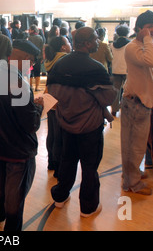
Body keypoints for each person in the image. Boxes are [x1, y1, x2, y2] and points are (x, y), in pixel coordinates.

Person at [47, 27, 116, 217]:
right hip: (90, 126)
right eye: (95, 39)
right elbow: (108, 98)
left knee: (67, 161)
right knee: (89, 167)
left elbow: (51, 92)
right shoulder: (96, 68)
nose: (97, 41)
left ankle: (60, 197)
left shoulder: (60, 65)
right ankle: (88, 207)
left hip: (66, 123)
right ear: (86, 43)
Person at [0, 39, 43, 231]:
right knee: (16, 193)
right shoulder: (19, 84)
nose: (32, 66)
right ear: (25, 58)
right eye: (31, 62)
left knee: (2, 181)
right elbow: (31, 124)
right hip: (18, 149)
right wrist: (39, 107)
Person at [121, 10, 153, 195]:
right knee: (133, 145)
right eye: (149, 27)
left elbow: (152, 74)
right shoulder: (132, 47)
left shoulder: (148, 46)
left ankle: (132, 174)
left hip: (143, 103)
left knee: (137, 145)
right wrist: (148, 39)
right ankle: (132, 184)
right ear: (139, 28)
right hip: (134, 103)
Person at [44, 36, 71, 175]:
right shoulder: (64, 60)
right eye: (67, 42)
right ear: (63, 47)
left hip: (49, 97)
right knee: (60, 136)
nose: (70, 44)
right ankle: (59, 167)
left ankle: (51, 163)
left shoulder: (50, 59)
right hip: (59, 99)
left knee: (52, 134)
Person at [110, 25, 131, 116]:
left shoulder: (112, 44)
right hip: (126, 70)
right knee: (128, 91)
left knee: (116, 91)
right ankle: (126, 109)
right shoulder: (130, 44)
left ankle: (114, 110)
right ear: (127, 33)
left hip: (115, 69)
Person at [27, 25, 45, 91]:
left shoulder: (29, 38)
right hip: (38, 57)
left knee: (31, 72)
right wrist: (42, 57)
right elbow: (42, 48)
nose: (29, 31)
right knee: (37, 72)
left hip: (30, 58)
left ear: (32, 30)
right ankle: (37, 87)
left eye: (30, 29)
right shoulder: (40, 37)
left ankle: (30, 87)